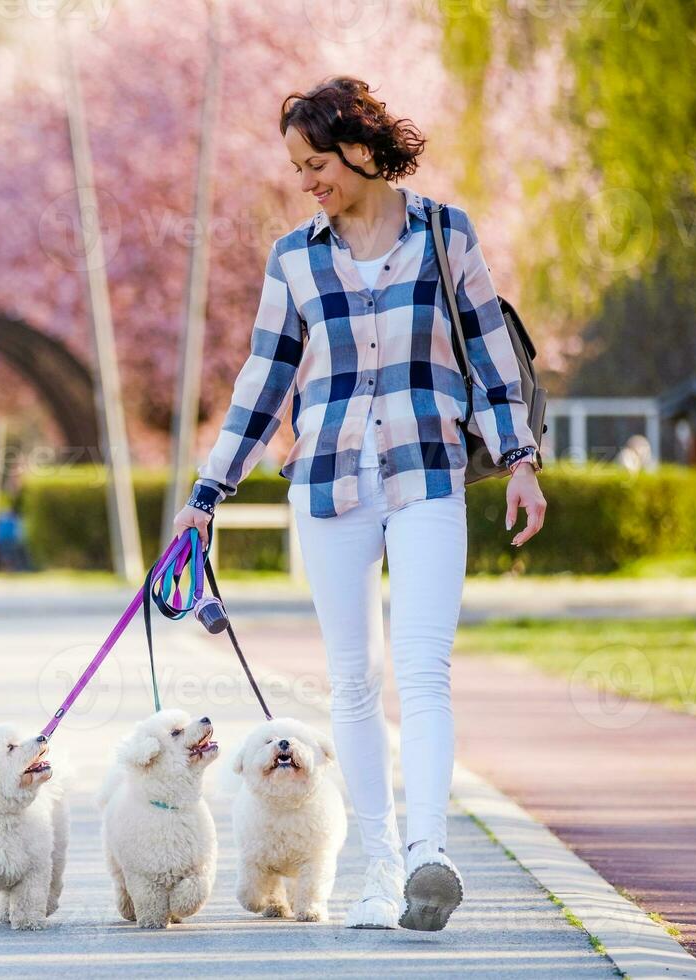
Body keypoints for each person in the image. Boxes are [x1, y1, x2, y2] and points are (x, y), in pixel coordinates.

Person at [172, 76, 546, 932]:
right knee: (353, 681)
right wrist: (208, 491)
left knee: (423, 668)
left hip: (427, 473)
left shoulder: (447, 234)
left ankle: (428, 856)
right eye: (297, 168)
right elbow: (263, 382)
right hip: (331, 485)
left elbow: (492, 360)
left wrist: (521, 459)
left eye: (318, 163)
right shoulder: (295, 257)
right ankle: (379, 869)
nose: (308, 181)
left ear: (365, 149)